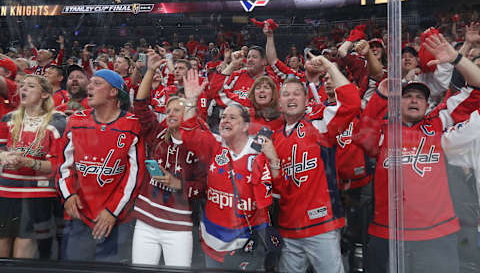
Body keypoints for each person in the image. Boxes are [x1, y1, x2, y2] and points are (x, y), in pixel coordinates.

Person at [355, 32, 480, 273]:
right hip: (388, 231)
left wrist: (456, 59)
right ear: (397, 102)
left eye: (419, 97)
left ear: (427, 102)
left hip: (437, 233)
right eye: (407, 96)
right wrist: (381, 95)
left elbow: (477, 89)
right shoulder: (384, 130)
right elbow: (364, 139)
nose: (413, 101)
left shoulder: (439, 121)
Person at [269, 52, 361, 273]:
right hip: (289, 228)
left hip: (322, 226)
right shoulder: (273, 139)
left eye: (297, 94)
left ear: (306, 99)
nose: (291, 98)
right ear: (279, 103)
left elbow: (352, 101)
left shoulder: (320, 125)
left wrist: (329, 65)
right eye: (286, 95)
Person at [179, 69, 274, 269]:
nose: (225, 121)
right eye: (223, 117)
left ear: (246, 126)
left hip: (243, 246)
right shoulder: (215, 143)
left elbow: (264, 205)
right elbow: (188, 133)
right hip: (212, 240)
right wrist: (191, 100)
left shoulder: (257, 154)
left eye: (232, 118)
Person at [56, 69, 145, 262]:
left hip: (115, 218)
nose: (89, 86)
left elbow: (134, 176)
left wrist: (113, 211)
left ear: (113, 92)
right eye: (91, 82)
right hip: (78, 214)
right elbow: (64, 165)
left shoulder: (131, 124)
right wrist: (69, 195)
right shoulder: (76, 120)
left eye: (97, 83)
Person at [131, 50, 206, 267]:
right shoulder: (156, 134)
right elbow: (140, 106)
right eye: (169, 109)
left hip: (179, 225)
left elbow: (203, 187)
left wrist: (179, 184)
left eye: (178, 110)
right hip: (146, 221)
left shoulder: (198, 144)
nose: (172, 113)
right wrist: (151, 70)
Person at [0, 74, 66, 259]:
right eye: (22, 86)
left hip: (37, 195)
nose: (23, 89)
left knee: (24, 245)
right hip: (5, 190)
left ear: (45, 94)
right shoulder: (9, 118)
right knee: (2, 243)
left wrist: (29, 162)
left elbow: (56, 166)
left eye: (30, 86)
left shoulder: (58, 121)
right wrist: (4, 155)